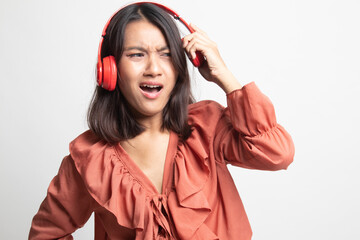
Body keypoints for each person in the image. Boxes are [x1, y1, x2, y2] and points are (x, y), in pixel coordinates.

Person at [29, 2, 295, 240]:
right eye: (136, 54)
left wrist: (224, 76)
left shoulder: (207, 128)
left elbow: (278, 154)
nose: (153, 68)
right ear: (110, 70)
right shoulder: (89, 160)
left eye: (166, 54)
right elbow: (46, 234)